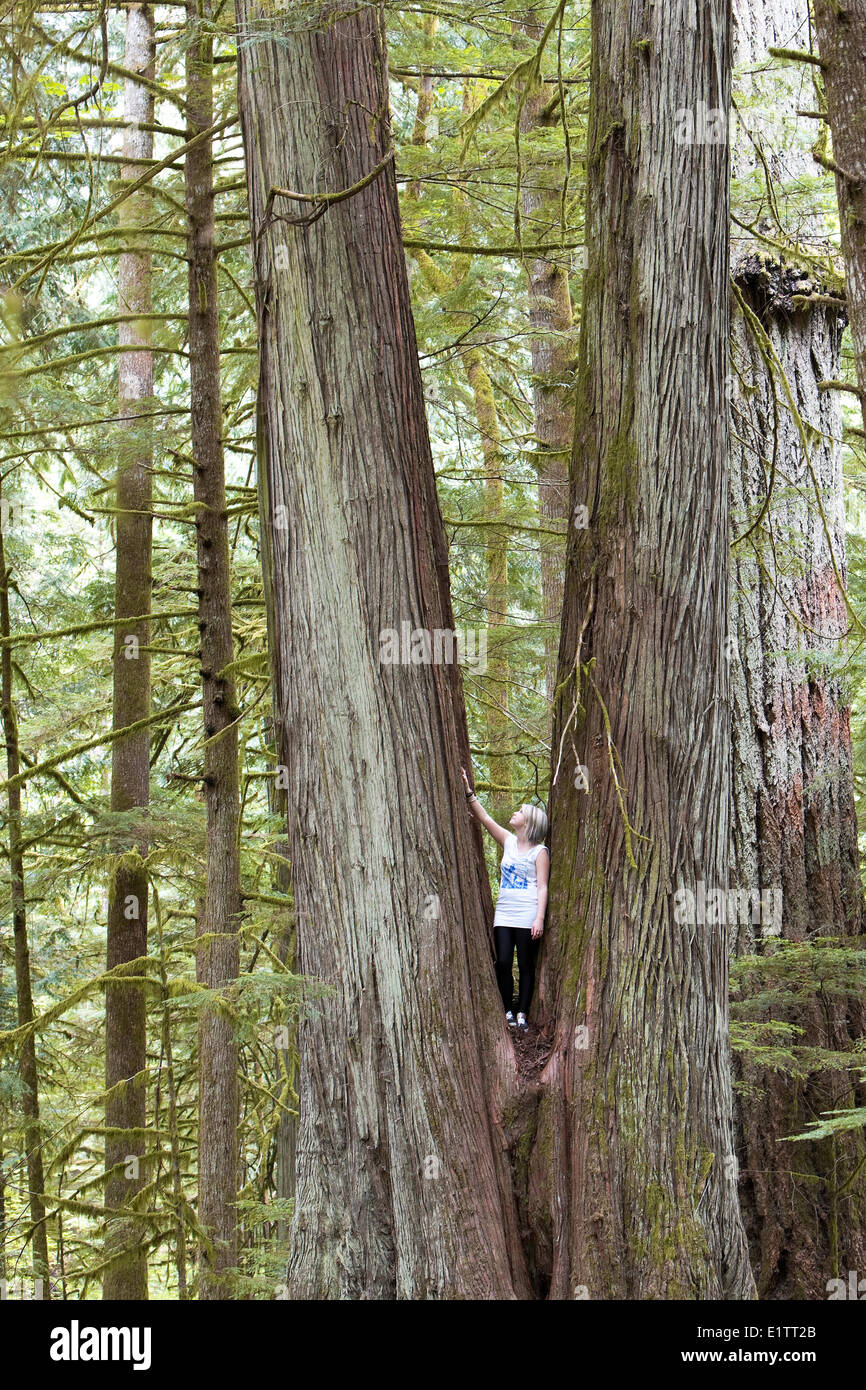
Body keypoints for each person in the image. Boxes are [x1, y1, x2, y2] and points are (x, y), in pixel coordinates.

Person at [461, 767, 549, 1031]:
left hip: (527, 914)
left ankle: (522, 1012)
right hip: (504, 913)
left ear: (529, 823)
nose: (515, 813)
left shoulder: (540, 852)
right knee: (502, 961)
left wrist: (539, 919)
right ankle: (508, 1009)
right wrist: (468, 792)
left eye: (520, 812)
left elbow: (542, 887)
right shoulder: (509, 842)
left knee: (525, 964)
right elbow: (486, 819)